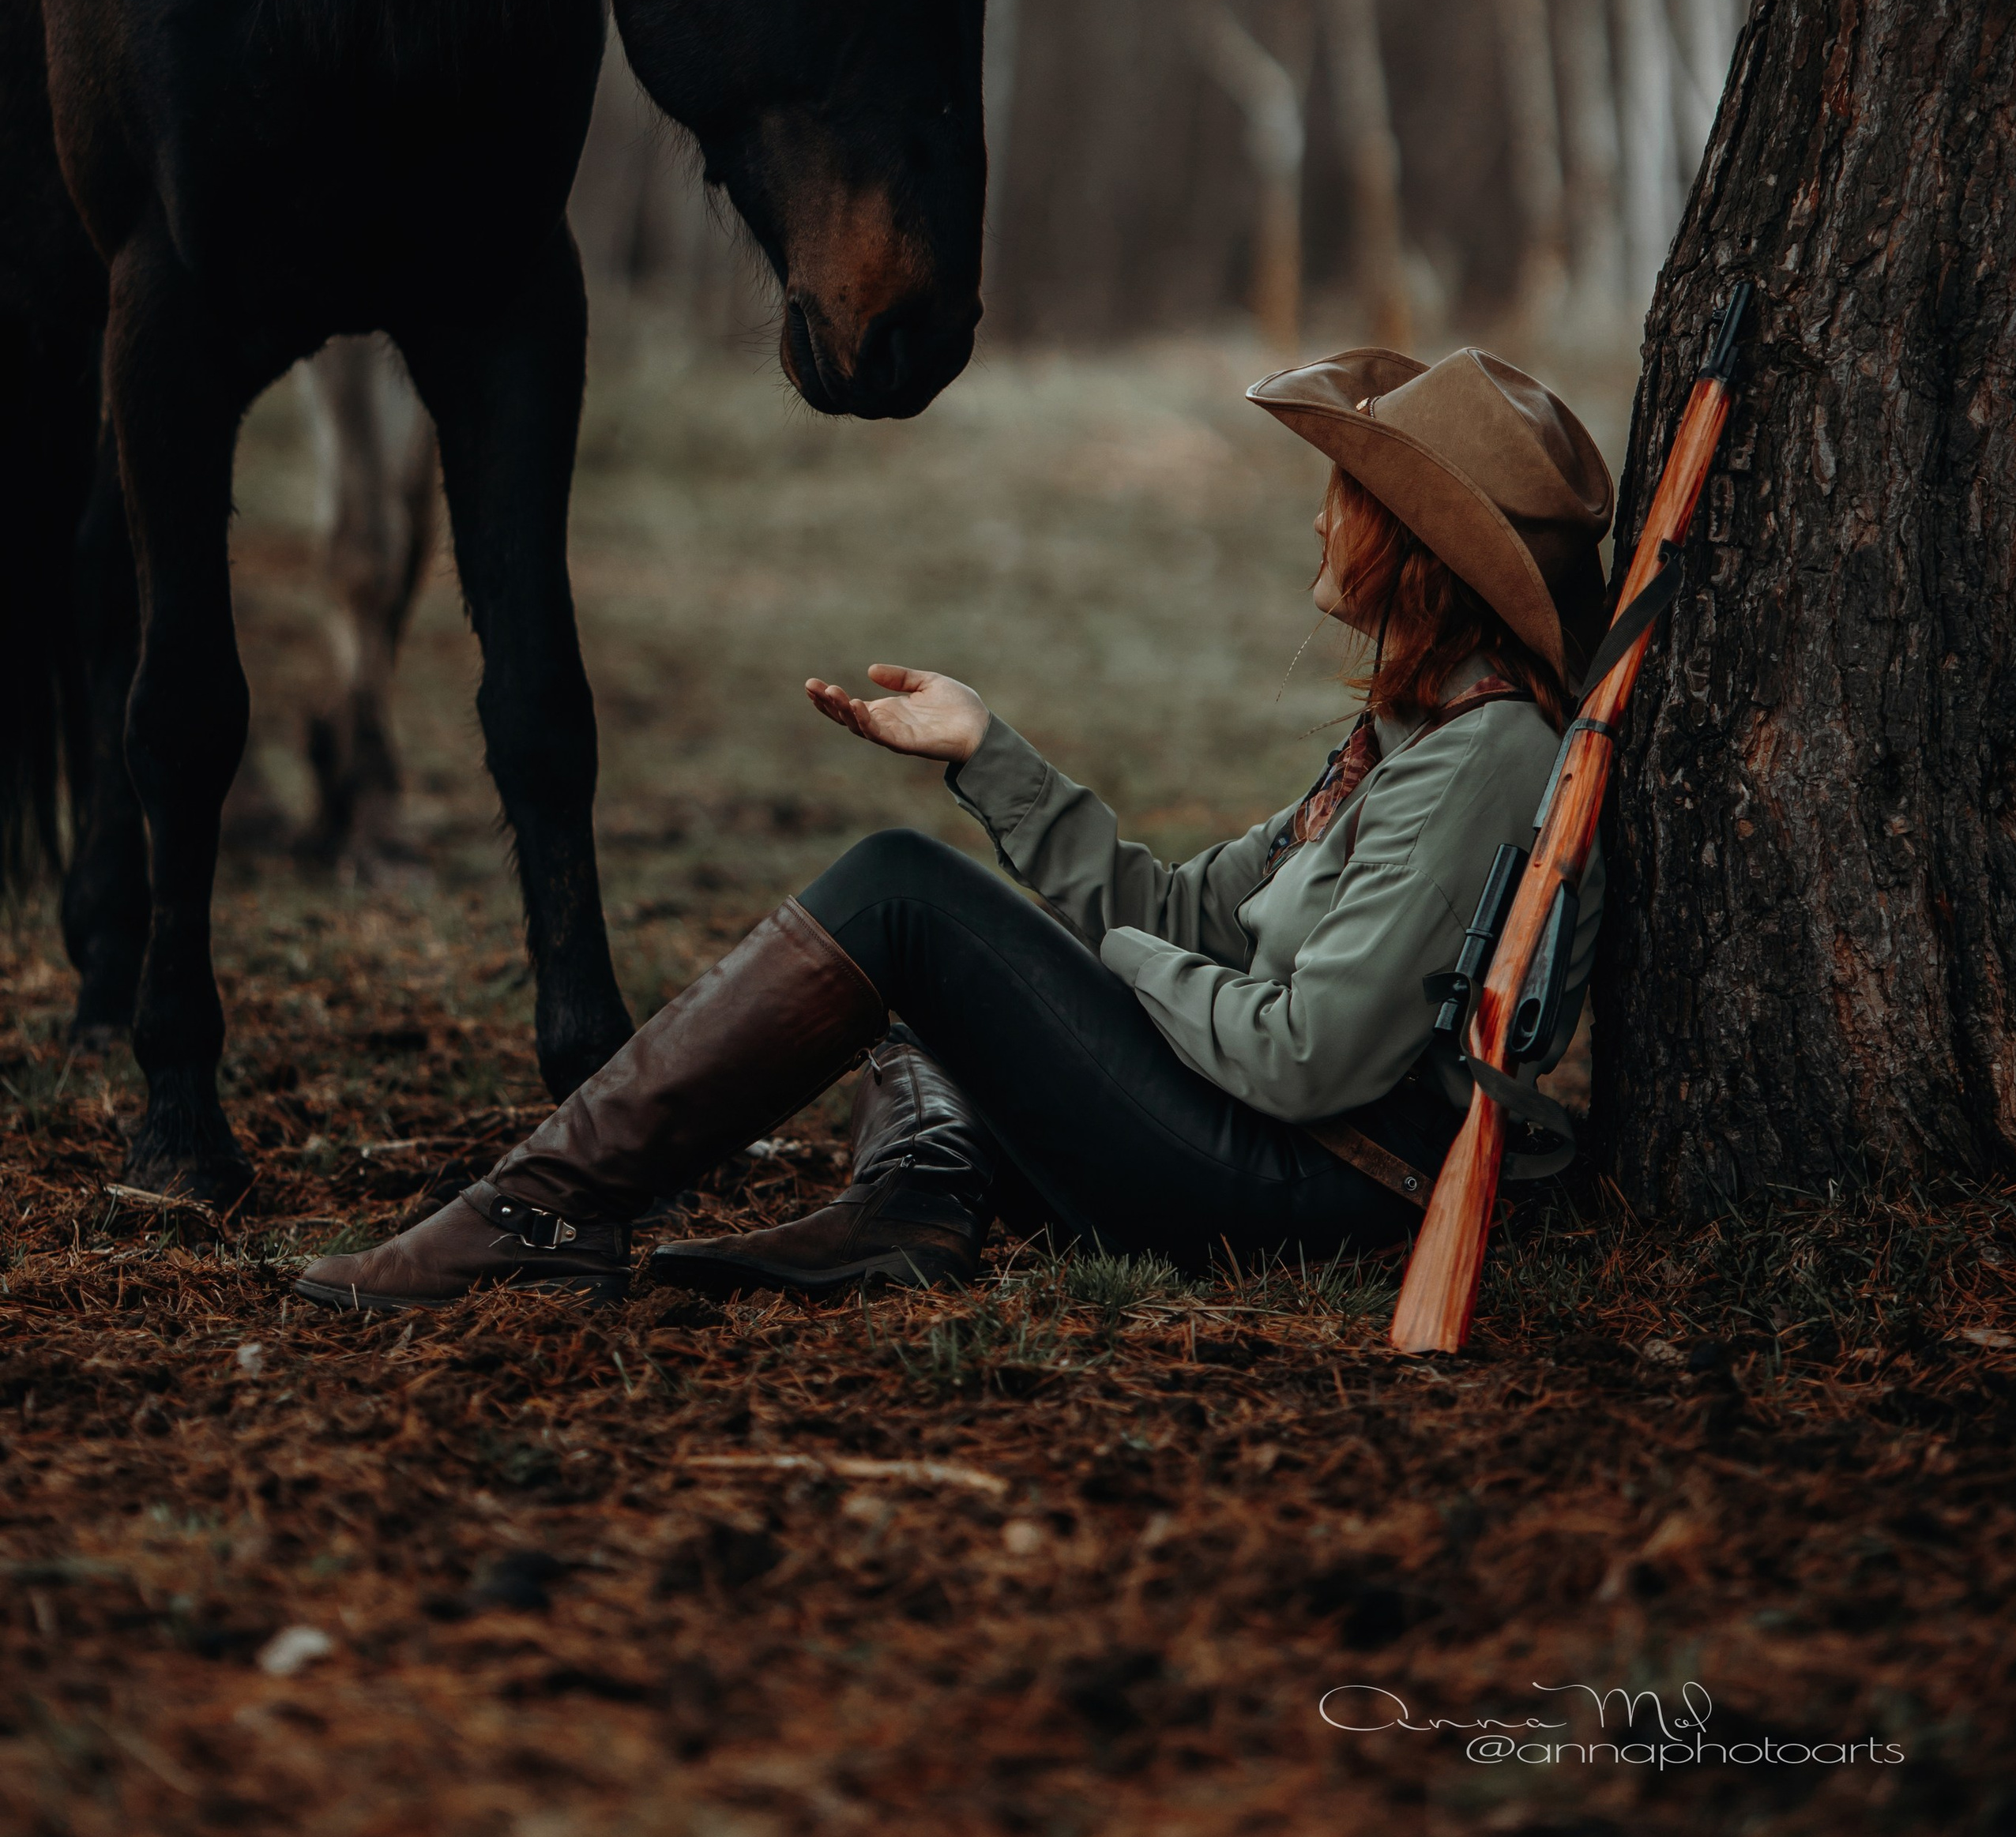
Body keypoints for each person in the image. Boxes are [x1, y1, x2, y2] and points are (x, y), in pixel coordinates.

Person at [296, 345, 1615, 1313]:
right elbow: (1187, 914)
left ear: (1416, 549)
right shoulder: (1418, 733)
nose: (1320, 514)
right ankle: (915, 1206)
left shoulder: (1484, 760)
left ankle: (541, 1217)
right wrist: (991, 755)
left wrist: (1113, 971)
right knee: (937, 985)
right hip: (1260, 1136)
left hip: (1309, 1178)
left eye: (1349, 493)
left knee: (901, 898)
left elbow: (1309, 1058)